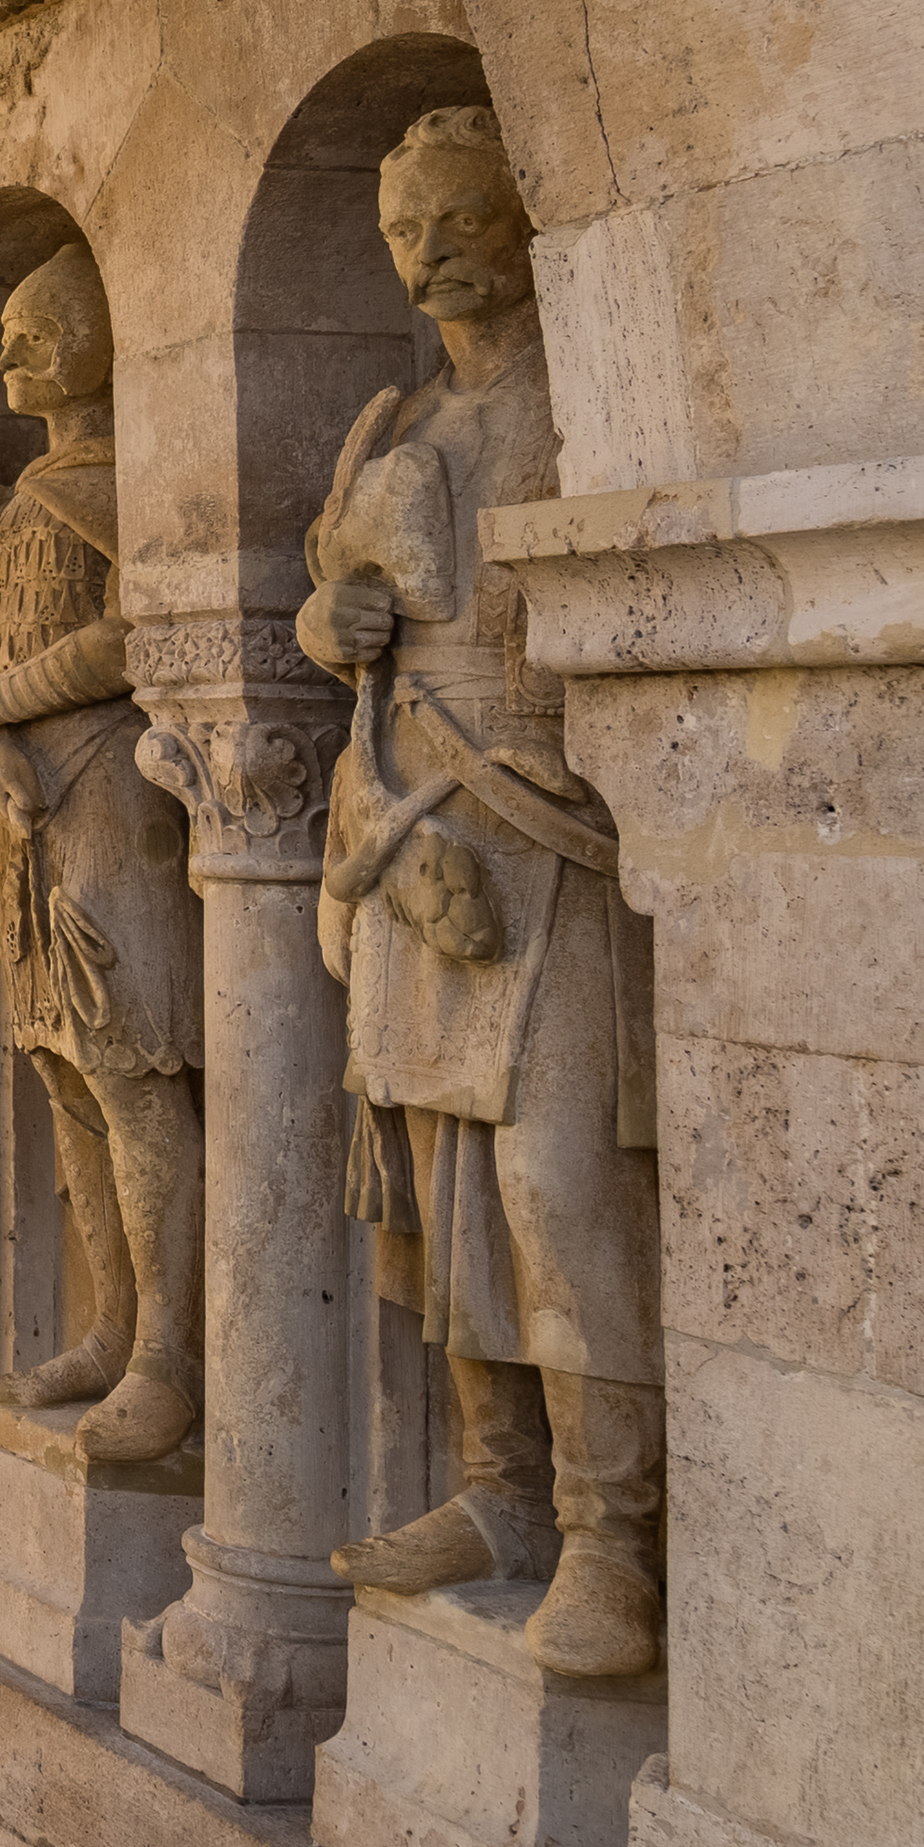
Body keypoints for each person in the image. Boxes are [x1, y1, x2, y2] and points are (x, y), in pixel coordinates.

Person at [302, 107, 662, 1678]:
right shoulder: (398, 413)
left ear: (522, 215)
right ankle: (501, 1492)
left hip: (548, 824)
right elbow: (332, 618)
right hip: (410, 831)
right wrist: (341, 626)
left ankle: (617, 1541)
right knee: (442, 1192)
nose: (426, 253)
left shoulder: (581, 398)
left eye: (453, 218)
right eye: (400, 232)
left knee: (558, 1195)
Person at [0, 243, 206, 1463]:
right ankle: (109, 1326)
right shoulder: (19, 495)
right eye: (6, 332)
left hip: (109, 799)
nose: (9, 354)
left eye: (39, 329)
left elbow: (132, 635)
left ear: (103, 340)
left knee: (132, 1066)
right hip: (22, 818)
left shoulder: (115, 483)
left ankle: (170, 1355)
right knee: (62, 1073)